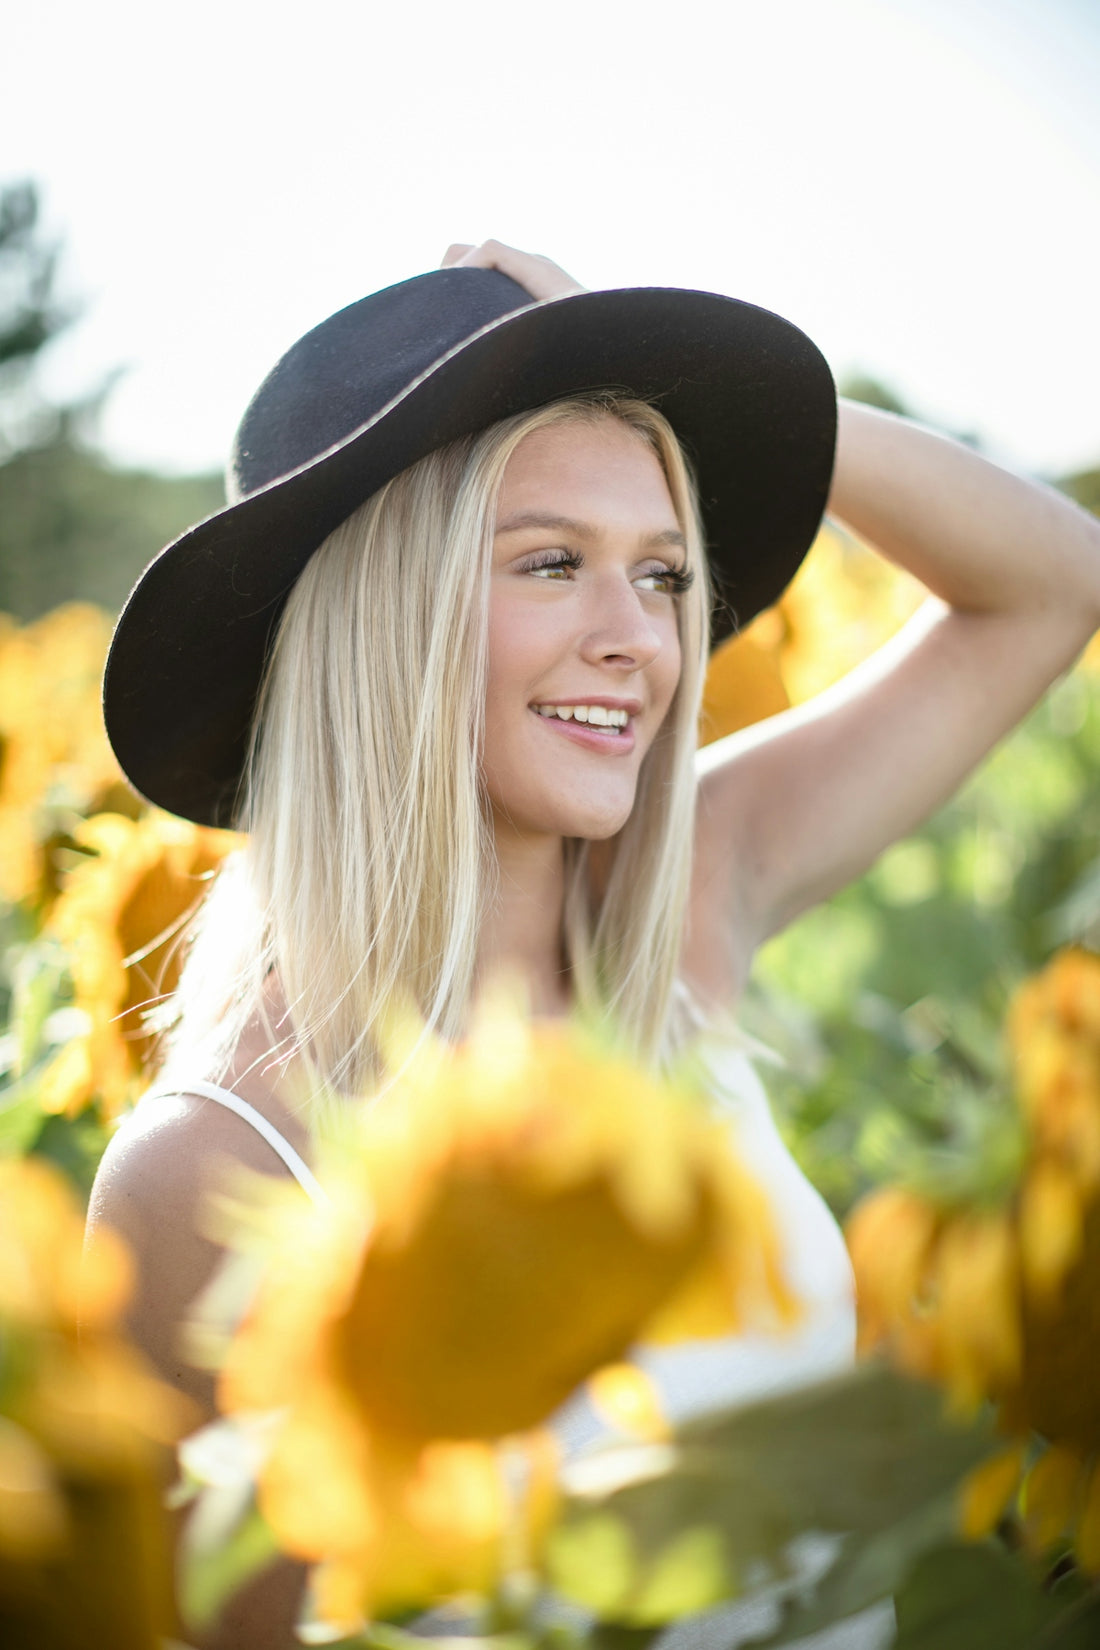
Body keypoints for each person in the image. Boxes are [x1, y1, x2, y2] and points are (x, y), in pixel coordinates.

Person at [88, 241, 1100, 1647]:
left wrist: (702, 382)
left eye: (667, 573)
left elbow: (1053, 582)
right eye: (554, 562)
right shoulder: (222, 1164)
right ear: (390, 611)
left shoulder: (673, 923)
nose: (640, 639)